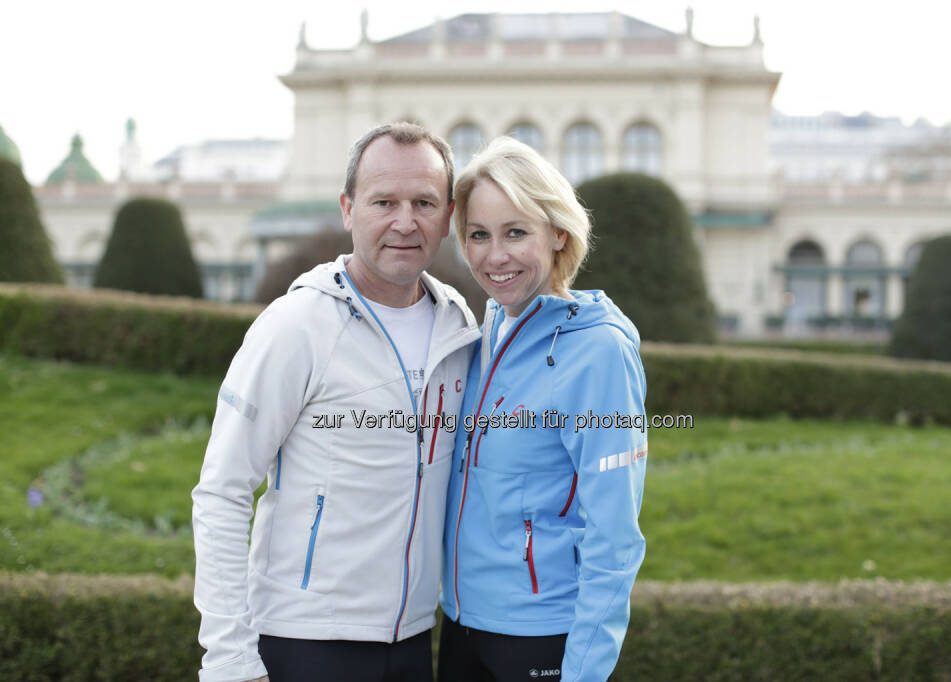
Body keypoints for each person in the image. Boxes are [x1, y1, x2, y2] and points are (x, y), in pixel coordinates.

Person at [191, 122, 480, 682]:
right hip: (306, 642)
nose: (404, 221)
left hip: (415, 641)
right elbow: (222, 490)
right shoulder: (296, 325)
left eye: (423, 202)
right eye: (384, 201)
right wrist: (228, 658)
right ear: (349, 209)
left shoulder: (459, 326)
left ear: (447, 217)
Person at [439, 137, 647, 682]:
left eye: (515, 232)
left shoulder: (599, 351)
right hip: (459, 624)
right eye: (478, 235)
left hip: (539, 638)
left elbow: (615, 535)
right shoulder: (484, 331)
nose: (494, 255)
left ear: (558, 233)